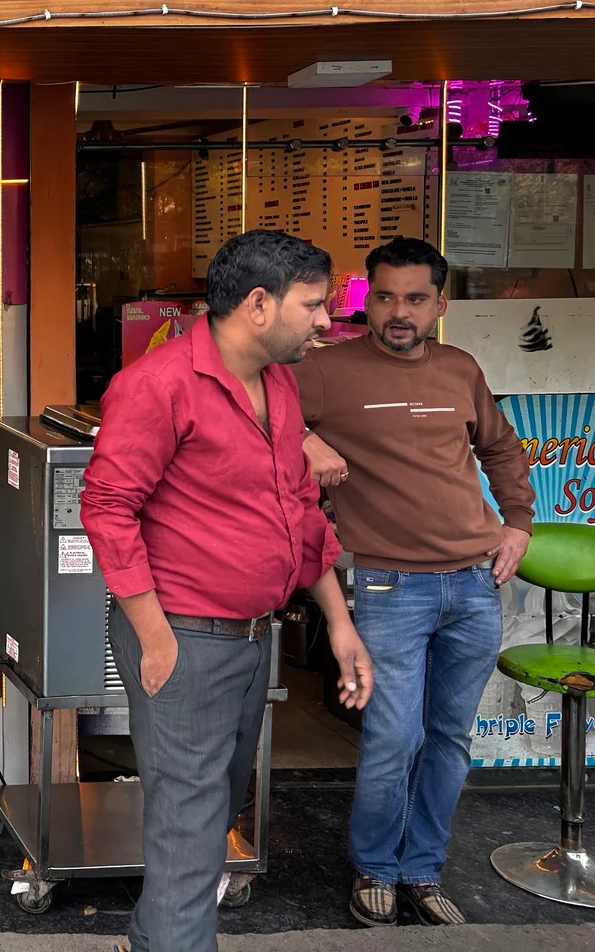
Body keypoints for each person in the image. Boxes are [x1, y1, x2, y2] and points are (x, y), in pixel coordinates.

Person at [80, 229, 373, 952]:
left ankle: (148, 942)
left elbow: (299, 507)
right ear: (258, 304)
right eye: (313, 305)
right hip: (184, 635)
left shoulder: (278, 383)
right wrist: (156, 639)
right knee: (190, 824)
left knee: (207, 819)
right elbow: (107, 508)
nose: (326, 320)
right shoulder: (158, 385)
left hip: (251, 635)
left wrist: (338, 623)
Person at [299, 237, 534, 928]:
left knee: (449, 740)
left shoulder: (460, 369)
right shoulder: (325, 371)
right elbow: (249, 408)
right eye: (385, 297)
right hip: (389, 586)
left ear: (439, 304)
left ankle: (422, 868)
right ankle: (376, 865)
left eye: (415, 299)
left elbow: (501, 448)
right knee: (393, 738)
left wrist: (518, 523)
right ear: (366, 301)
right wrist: (303, 439)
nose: (398, 312)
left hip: (475, 583)